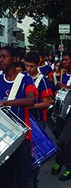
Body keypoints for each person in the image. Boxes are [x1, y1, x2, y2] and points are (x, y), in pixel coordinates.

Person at [0, 46, 38, 188]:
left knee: (23, 180)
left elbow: (31, 100)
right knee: (3, 179)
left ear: (14, 59)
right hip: (2, 138)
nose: (0, 60)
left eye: (4, 57)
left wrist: (6, 102)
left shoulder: (26, 80)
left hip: (22, 137)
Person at [24, 51, 53, 187]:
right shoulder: (23, 77)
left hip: (39, 120)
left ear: (38, 65)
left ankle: (32, 182)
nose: (28, 69)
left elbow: (47, 103)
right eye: (26, 66)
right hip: (24, 119)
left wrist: (30, 106)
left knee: (35, 154)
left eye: (31, 66)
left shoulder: (43, 81)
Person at [50, 50, 71, 181]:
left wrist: (67, 88)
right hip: (61, 112)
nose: (63, 62)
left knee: (64, 140)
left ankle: (69, 166)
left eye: (66, 60)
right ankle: (60, 160)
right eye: (63, 60)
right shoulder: (63, 75)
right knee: (60, 139)